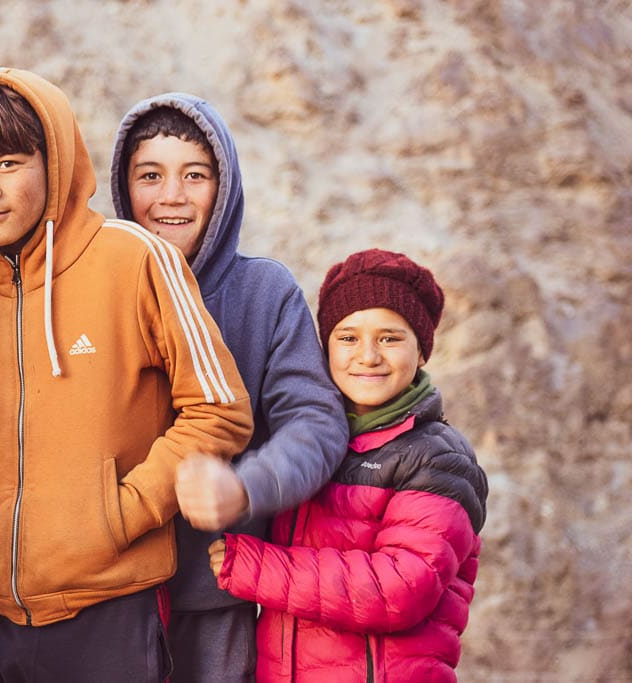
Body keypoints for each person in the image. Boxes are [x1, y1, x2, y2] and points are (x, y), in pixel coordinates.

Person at [0, 68, 254, 682]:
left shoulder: (135, 259)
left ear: (56, 159)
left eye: (7, 163)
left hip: (110, 605)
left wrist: (122, 513)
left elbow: (219, 408)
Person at [110, 94, 349, 681]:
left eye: (195, 175)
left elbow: (316, 422)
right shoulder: (94, 292)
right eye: (150, 176)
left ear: (225, 187)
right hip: (107, 600)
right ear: (122, 188)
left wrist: (245, 487)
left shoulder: (265, 293)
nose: (171, 196)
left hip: (219, 601)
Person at [206, 248, 489, 682]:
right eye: (348, 337)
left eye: (390, 338)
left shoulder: (438, 458)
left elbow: (399, 589)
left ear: (423, 352)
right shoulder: (311, 448)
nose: (368, 356)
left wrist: (254, 567)